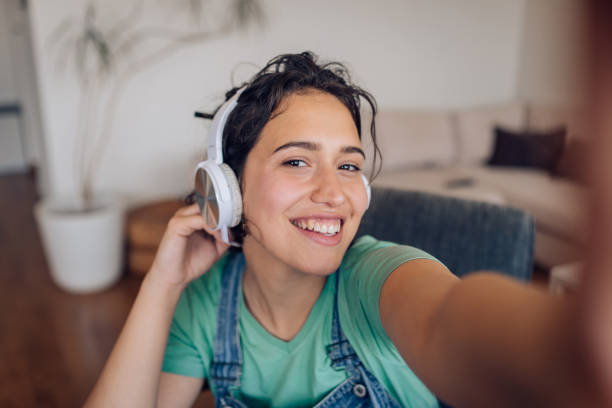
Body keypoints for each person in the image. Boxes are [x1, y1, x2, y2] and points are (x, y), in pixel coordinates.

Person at [84, 50, 612, 408]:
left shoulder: (377, 276)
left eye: (349, 165)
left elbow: (448, 319)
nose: (335, 193)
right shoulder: (206, 306)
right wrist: (163, 284)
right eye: (296, 162)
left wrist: (573, 348)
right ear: (227, 188)